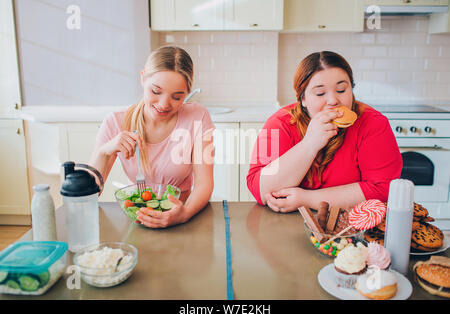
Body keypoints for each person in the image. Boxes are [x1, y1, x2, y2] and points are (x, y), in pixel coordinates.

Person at [246, 51, 402, 213]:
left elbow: (383, 190)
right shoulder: (280, 123)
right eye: (320, 93)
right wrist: (309, 144)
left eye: (341, 90)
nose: (333, 100)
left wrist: (307, 199)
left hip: (353, 224)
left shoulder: (373, 123)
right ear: (303, 99)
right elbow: (259, 189)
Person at [90, 46, 215, 228]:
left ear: (187, 93)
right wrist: (104, 152)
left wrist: (184, 214)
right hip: (136, 219)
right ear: (143, 78)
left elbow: (204, 184)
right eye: (156, 92)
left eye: (177, 97)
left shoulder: (198, 117)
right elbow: (91, 194)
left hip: (183, 220)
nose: (164, 104)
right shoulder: (115, 122)